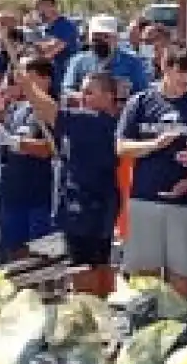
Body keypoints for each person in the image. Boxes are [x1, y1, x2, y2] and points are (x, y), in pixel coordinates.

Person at [117, 50, 187, 299]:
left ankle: (178, 332)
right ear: (165, 67)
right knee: (144, 279)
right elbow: (121, 147)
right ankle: (146, 330)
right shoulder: (140, 103)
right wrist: (155, 144)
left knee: (181, 278)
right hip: (145, 199)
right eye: (181, 72)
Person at [26, 69, 122, 296]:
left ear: (108, 96)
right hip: (97, 205)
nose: (83, 97)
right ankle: (100, 312)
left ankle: (88, 312)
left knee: (83, 268)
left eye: (89, 92)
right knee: (99, 262)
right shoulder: (99, 122)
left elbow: (52, 112)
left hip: (85, 207)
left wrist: (29, 87)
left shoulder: (94, 121)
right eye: (82, 91)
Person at [0, 55, 58, 261]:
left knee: (40, 253)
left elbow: (50, 149)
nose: (20, 80)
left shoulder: (52, 109)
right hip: (12, 192)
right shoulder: (16, 109)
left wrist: (16, 143)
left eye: (26, 76)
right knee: (12, 251)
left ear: (44, 79)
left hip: (39, 195)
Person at [63, 14, 151, 100]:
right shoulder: (78, 61)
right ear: (89, 39)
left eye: (105, 36)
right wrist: (86, 96)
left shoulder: (132, 62)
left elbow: (143, 93)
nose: (100, 41)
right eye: (96, 37)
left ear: (116, 38)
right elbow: (66, 90)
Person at [33, 0, 80, 70]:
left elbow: (49, 53)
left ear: (52, 6)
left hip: (64, 77)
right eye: (37, 9)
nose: (38, 13)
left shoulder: (66, 26)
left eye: (41, 8)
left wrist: (36, 47)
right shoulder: (47, 28)